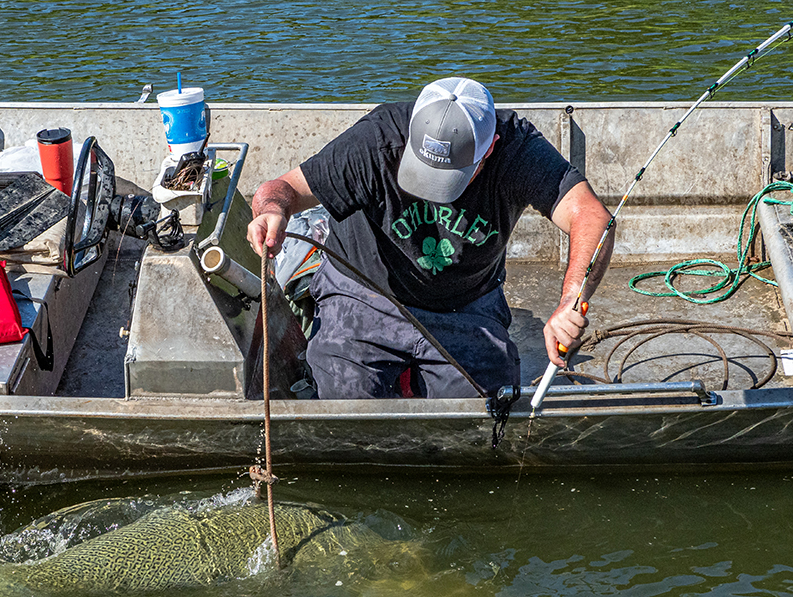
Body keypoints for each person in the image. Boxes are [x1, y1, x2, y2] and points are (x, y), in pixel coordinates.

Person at [247, 76, 614, 399]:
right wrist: (271, 212)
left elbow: (592, 217)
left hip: (465, 303)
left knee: (485, 409)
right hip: (363, 292)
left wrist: (570, 300)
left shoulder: (518, 149)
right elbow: (281, 188)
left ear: (489, 149)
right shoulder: (379, 135)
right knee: (347, 397)